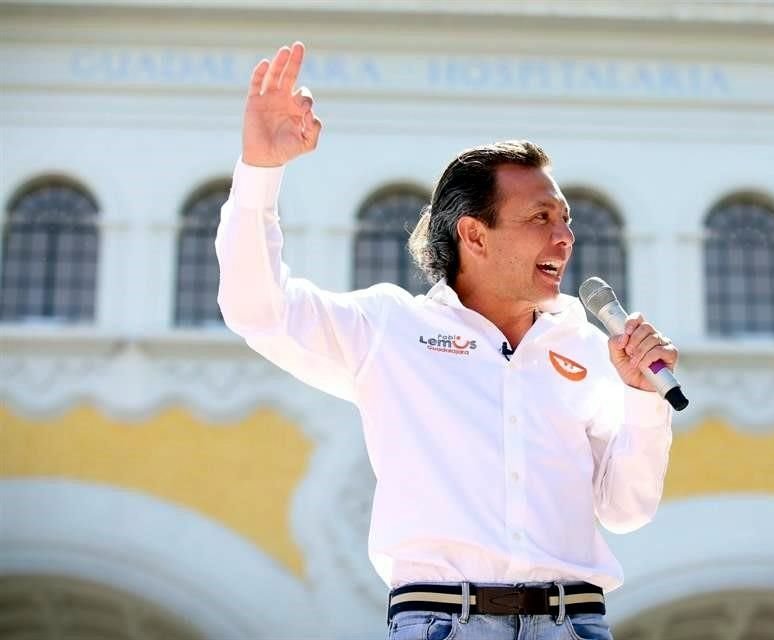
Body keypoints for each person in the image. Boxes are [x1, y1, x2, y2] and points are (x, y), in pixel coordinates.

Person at [216, 42, 678, 640]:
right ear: (473, 234)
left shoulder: (590, 348)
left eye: (566, 220)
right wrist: (260, 169)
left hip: (576, 624)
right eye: (540, 218)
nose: (564, 238)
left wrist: (644, 398)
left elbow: (626, 509)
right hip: (443, 623)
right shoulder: (391, 329)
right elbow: (258, 309)